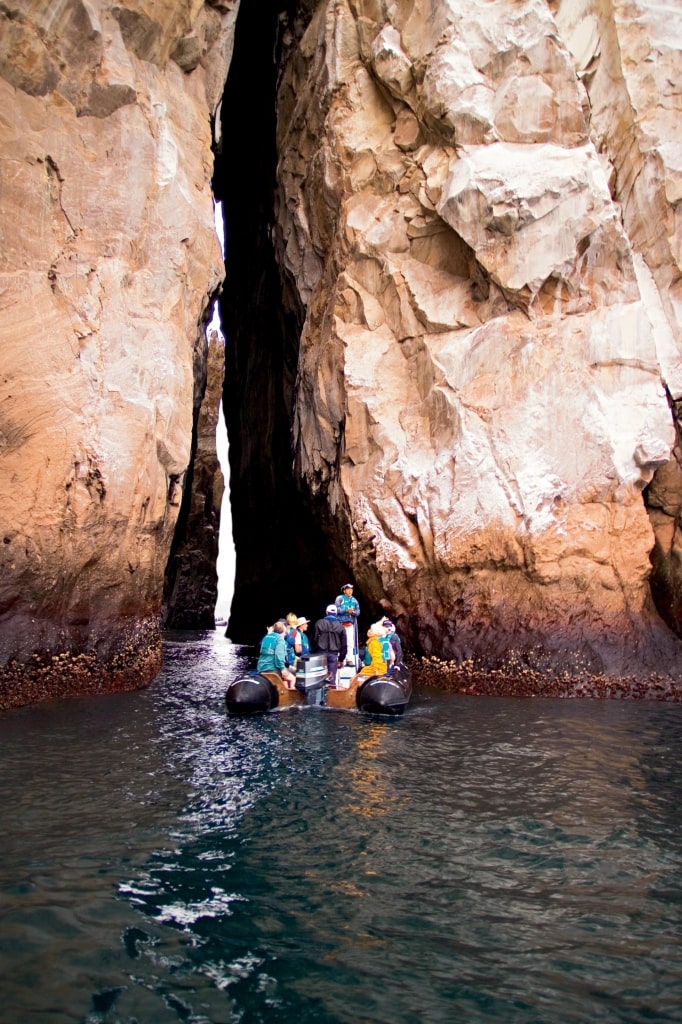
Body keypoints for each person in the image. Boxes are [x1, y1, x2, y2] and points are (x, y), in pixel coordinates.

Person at [312, 604, 347, 685]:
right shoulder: (340, 626)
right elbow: (344, 644)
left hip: (320, 654)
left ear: (326, 612)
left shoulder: (319, 623)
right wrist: (341, 659)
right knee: (331, 679)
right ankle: (331, 695)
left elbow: (314, 639)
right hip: (333, 655)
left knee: (318, 678)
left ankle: (318, 696)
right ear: (336, 613)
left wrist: (313, 652)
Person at [257, 621, 296, 687]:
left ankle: (284, 691)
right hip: (272, 669)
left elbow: (261, 651)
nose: (285, 634)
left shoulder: (266, 637)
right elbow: (279, 657)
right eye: (285, 632)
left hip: (261, 668)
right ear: (282, 632)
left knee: (285, 678)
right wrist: (283, 669)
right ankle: (291, 696)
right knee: (293, 679)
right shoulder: (280, 640)